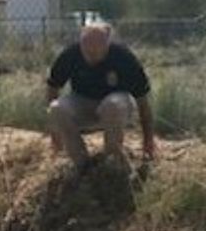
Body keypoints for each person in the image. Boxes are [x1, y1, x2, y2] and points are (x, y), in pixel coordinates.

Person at [45, 22, 156, 167]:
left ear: (107, 46)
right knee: (56, 108)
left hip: (117, 107)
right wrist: (55, 132)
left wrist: (148, 139)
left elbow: (142, 101)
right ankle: (81, 163)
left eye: (96, 52)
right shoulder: (70, 55)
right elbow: (52, 88)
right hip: (83, 103)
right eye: (87, 51)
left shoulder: (124, 58)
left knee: (112, 105)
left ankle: (112, 160)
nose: (91, 56)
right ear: (81, 44)